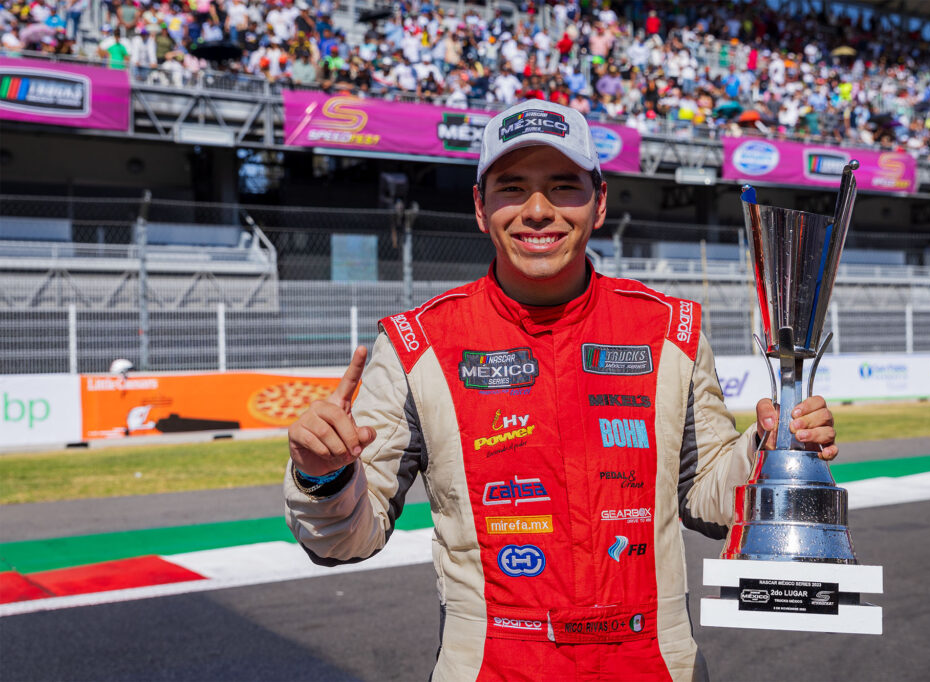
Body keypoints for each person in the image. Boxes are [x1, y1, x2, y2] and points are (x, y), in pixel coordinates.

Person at [284, 99, 837, 680]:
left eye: (564, 186)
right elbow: (345, 539)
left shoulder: (669, 330)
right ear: (480, 207)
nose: (539, 210)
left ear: (599, 202)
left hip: (654, 663)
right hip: (493, 667)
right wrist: (324, 476)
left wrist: (770, 453)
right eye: (513, 187)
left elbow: (706, 494)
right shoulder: (416, 344)